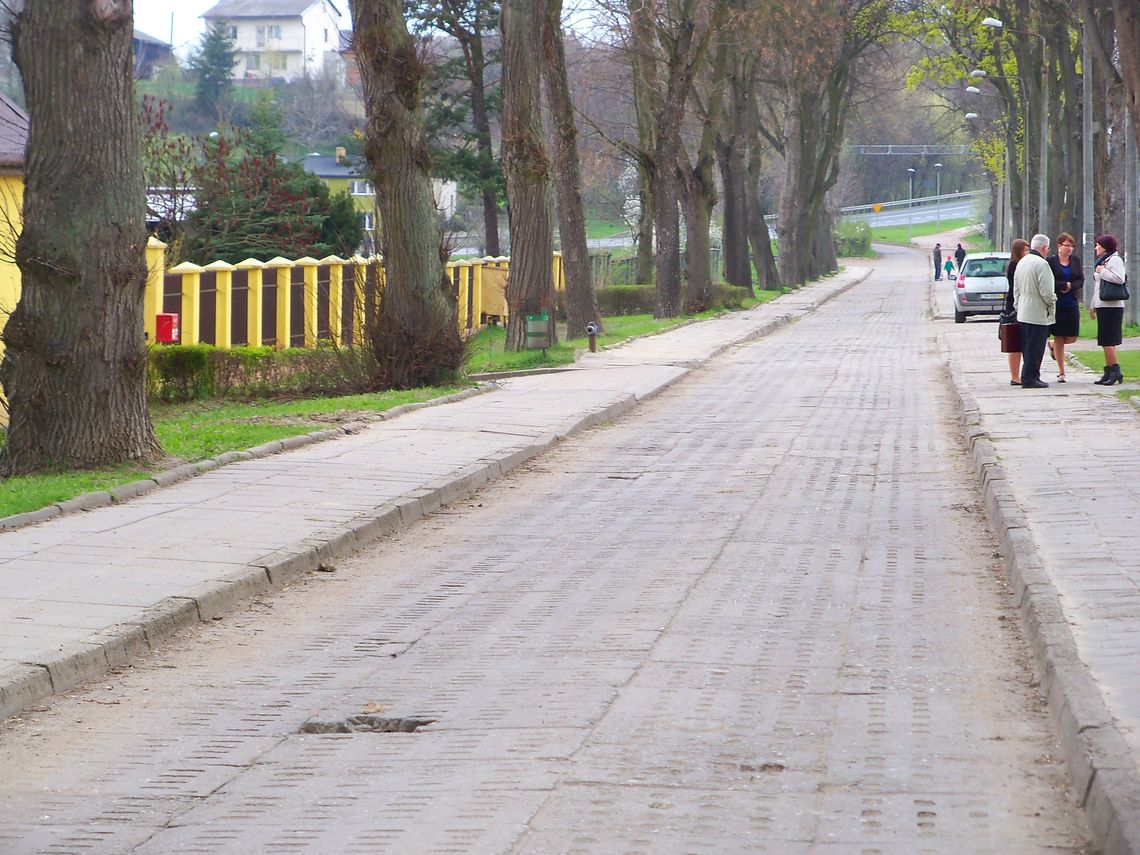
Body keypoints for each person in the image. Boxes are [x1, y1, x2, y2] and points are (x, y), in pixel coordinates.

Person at [1014, 233, 1055, 388]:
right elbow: (1047, 292)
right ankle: (1030, 377)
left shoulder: (1022, 262)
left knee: (1027, 346)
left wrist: (1018, 306)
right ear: (1044, 248)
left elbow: (1016, 289)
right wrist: (1051, 305)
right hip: (1037, 310)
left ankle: (1029, 375)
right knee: (1036, 347)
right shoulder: (1042, 264)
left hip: (1023, 309)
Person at [1046, 232, 1084, 382]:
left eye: (1072, 246)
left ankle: (1052, 345)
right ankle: (1062, 372)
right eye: (1067, 245)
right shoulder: (1051, 262)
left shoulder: (1075, 261)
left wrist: (1071, 286)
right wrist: (1062, 285)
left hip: (1072, 302)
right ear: (1059, 246)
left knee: (1072, 336)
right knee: (1060, 336)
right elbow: (1048, 281)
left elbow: (1080, 279)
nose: (1069, 249)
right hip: (1057, 304)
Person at [1090, 233, 1127, 385]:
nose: (1095, 247)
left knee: (1109, 340)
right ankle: (1108, 370)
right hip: (1102, 305)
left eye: (1098, 245)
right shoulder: (1103, 260)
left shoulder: (1115, 259)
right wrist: (1093, 304)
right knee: (1104, 340)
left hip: (1112, 306)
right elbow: (1098, 287)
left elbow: (1120, 278)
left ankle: (1116, 371)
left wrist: (1102, 271)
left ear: (1105, 247)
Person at [1003, 238, 1029, 385]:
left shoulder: (1022, 264)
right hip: (1014, 305)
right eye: (1025, 250)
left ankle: (1024, 372)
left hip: (1022, 303)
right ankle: (1015, 375)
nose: (1027, 253)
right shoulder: (1014, 265)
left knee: (1025, 340)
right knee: (1015, 342)